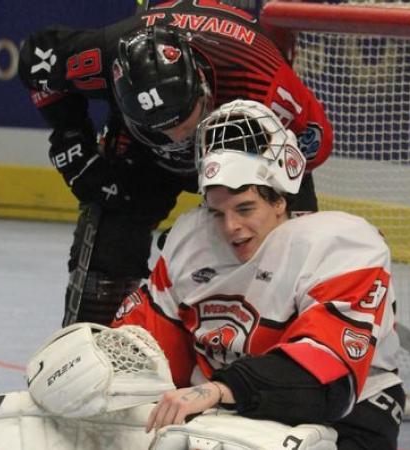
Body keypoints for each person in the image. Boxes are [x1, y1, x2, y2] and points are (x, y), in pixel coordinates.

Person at [17, 0, 333, 327]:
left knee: (288, 256)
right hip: (144, 156)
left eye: (184, 124)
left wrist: (249, 210)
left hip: (238, 143)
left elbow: (313, 148)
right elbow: (33, 59)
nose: (178, 140)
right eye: (162, 132)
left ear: (201, 85)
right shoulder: (105, 54)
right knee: (108, 251)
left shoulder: (264, 82)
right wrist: (73, 143)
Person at [111, 100, 404, 449]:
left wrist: (217, 391)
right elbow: (149, 349)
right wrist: (106, 368)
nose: (231, 227)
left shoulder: (345, 248)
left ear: (280, 200)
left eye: (245, 208)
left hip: (347, 412)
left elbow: (324, 383)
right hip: (225, 410)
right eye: (218, 212)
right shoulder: (190, 242)